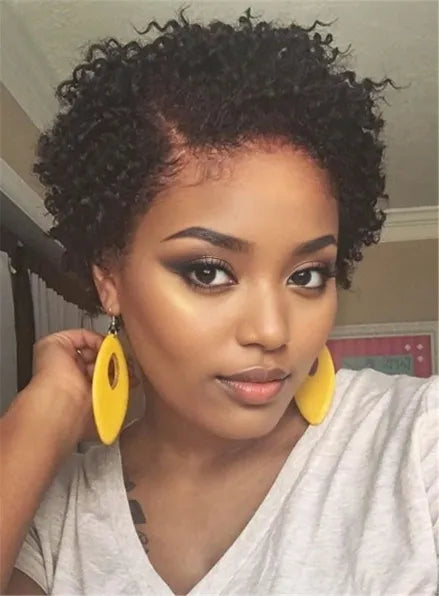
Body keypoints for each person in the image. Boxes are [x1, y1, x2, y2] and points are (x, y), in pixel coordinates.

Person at [1, 7, 437, 595]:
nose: (272, 331)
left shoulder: (416, 444)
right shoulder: (53, 512)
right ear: (110, 279)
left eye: (307, 275)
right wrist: (43, 415)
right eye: (209, 272)